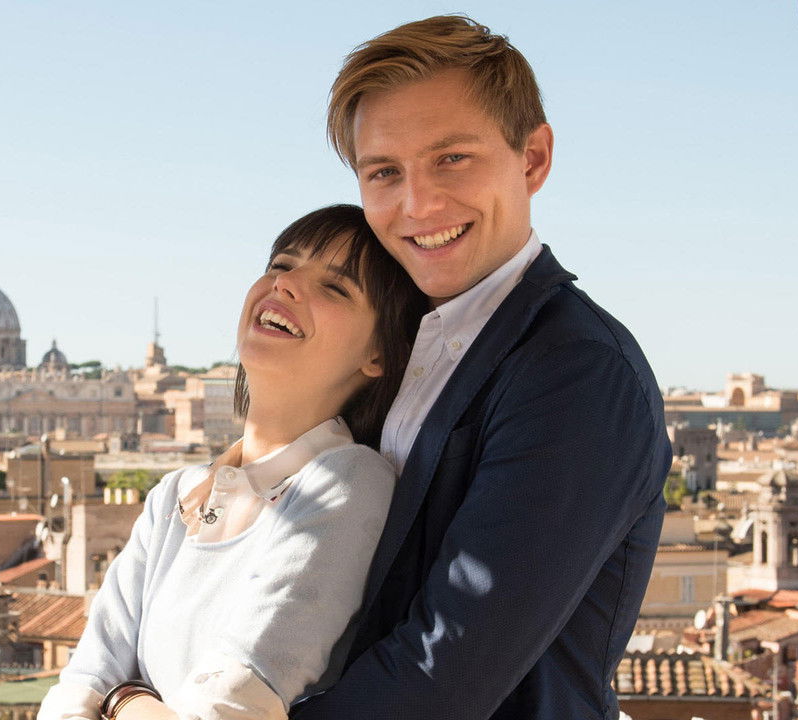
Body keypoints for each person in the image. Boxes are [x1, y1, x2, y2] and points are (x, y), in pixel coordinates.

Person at [288, 16, 671, 720]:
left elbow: (444, 674)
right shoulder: (394, 344)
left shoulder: (579, 372)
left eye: (452, 158)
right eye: (384, 173)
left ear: (533, 159)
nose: (419, 204)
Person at [37, 204, 426, 720]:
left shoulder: (349, 482)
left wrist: (122, 697)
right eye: (281, 264)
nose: (284, 285)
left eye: (335, 288)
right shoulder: (172, 496)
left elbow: (229, 706)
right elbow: (78, 685)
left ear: (377, 355)